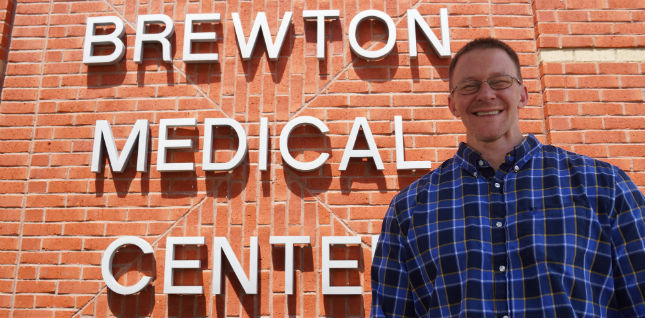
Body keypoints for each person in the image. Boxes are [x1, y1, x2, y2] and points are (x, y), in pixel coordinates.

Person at [370, 37, 645, 318]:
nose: (486, 94)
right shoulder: (410, 208)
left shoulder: (605, 186)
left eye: (500, 81)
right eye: (469, 85)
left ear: (523, 94)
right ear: (452, 104)